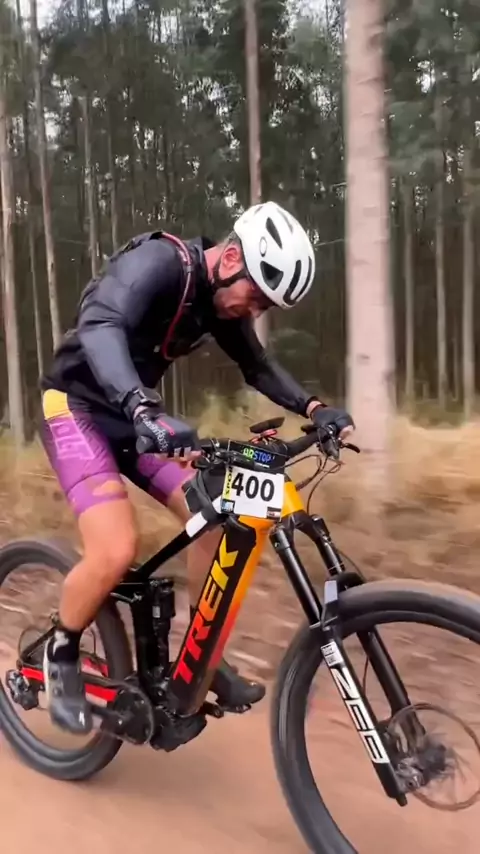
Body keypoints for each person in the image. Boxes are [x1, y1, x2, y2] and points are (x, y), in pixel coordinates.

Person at [39, 201, 355, 735]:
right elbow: (101, 324)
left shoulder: (218, 303)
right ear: (230, 259)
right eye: (256, 296)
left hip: (134, 417)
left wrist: (315, 408)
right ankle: (61, 653)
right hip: (76, 408)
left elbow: (257, 365)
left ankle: (201, 659)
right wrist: (142, 407)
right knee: (115, 549)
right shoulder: (159, 264)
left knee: (214, 516)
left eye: (265, 306)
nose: (254, 311)